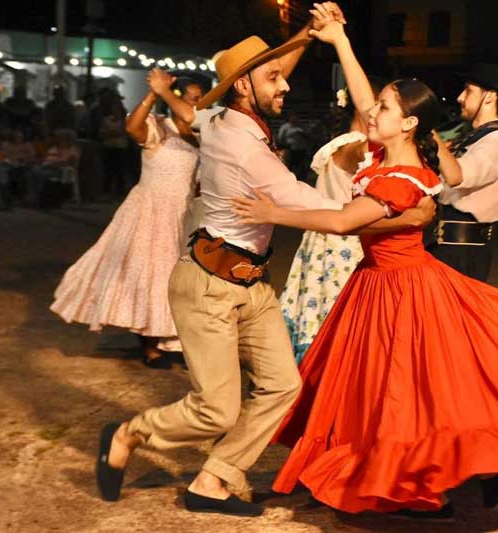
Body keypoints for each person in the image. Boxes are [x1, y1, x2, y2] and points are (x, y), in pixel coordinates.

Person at [231, 12, 498, 520]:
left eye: (385, 107)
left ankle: (428, 480)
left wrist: (273, 212)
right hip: (373, 284)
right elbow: (362, 102)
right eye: (377, 106)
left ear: (410, 122)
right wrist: (340, 41)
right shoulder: (382, 152)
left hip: (406, 289)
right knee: (372, 387)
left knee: (411, 389)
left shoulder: (406, 176)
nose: (371, 112)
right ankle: (379, 469)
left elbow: (342, 221)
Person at [94, 4, 435, 517]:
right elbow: (312, 204)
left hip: (251, 284)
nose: (287, 87)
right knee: (217, 409)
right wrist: (397, 212)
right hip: (208, 283)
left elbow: (265, 73)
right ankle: (126, 434)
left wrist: (306, 37)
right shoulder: (236, 142)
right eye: (273, 79)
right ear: (242, 88)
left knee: (283, 386)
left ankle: (213, 479)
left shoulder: (236, 119)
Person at [51, 70, 202, 368]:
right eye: (192, 98)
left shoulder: (200, 136)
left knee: (182, 283)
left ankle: (176, 341)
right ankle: (151, 345)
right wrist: (154, 93)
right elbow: (131, 128)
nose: (197, 104)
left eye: (200, 99)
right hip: (150, 213)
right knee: (151, 277)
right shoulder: (158, 126)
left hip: (183, 215)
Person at [280, 87, 376, 362]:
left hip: (320, 239)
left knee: (314, 310)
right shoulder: (356, 145)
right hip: (344, 244)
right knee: (338, 317)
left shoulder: (336, 145)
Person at [424, 63, 498, 282]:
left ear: (489, 97)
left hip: (463, 251)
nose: (459, 97)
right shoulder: (476, 137)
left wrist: (429, 130)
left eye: (468, 90)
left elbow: (459, 176)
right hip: (447, 247)